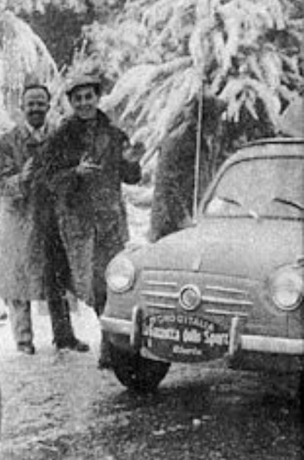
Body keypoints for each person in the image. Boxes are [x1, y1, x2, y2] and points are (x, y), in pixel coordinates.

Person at [31, 70, 144, 369]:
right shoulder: (60, 138)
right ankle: (109, 343)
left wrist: (133, 161)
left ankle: (111, 348)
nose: (84, 103)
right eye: (78, 98)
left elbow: (131, 176)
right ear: (70, 102)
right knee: (92, 285)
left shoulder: (114, 133)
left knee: (115, 281)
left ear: (97, 97)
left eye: (88, 97)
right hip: (78, 222)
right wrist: (74, 174)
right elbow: (46, 178)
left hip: (110, 220)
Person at [0, 83, 89, 355]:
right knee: (18, 282)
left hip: (51, 216)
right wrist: (21, 179)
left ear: (48, 106)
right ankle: (24, 343)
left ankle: (65, 336)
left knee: (56, 275)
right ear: (22, 108)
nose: (35, 108)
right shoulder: (8, 142)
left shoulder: (58, 136)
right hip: (20, 220)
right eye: (30, 103)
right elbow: (0, 183)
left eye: (40, 103)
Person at [148, 96, 224, 242]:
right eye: (217, 118)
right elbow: (167, 185)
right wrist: (183, 219)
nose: (220, 124)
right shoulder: (180, 141)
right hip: (171, 224)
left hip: (195, 218)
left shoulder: (207, 141)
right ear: (207, 119)